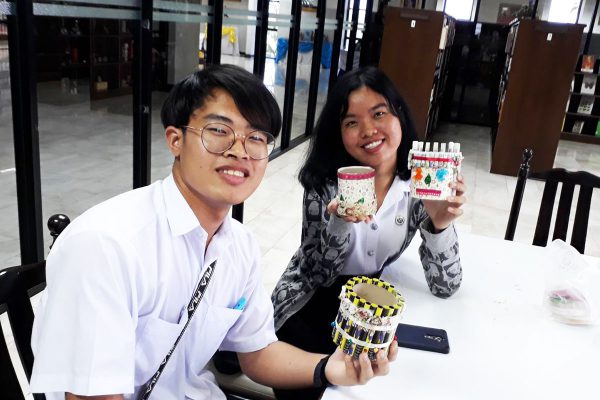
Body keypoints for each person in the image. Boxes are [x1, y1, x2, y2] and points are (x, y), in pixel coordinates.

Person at [29, 64, 397, 400]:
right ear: (175, 140)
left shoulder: (239, 245)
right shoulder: (107, 246)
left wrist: (330, 368)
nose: (240, 151)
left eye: (256, 138)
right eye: (219, 131)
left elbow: (257, 353)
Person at [271, 66, 466, 399]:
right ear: (339, 132)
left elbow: (446, 286)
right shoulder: (325, 184)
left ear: (399, 114)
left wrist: (439, 224)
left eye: (379, 114)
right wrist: (339, 222)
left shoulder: (419, 185)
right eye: (351, 122)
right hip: (310, 303)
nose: (369, 130)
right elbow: (318, 274)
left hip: (366, 306)